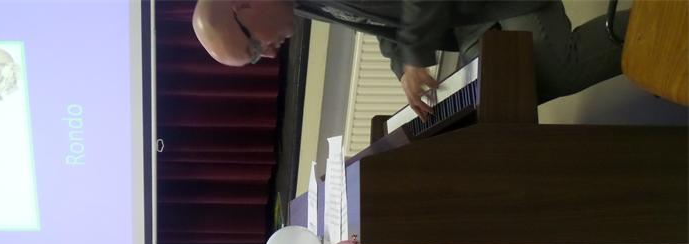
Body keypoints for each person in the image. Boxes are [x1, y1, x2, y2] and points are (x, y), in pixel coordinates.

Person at [191, 0, 631, 120]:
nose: (268, 53)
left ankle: (662, 32)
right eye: (256, 58)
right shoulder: (301, 6)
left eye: (253, 48)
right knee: (502, 94)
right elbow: (381, 23)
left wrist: (418, 52)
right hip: (467, 17)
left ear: (242, 5)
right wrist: (404, 65)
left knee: (554, 70)